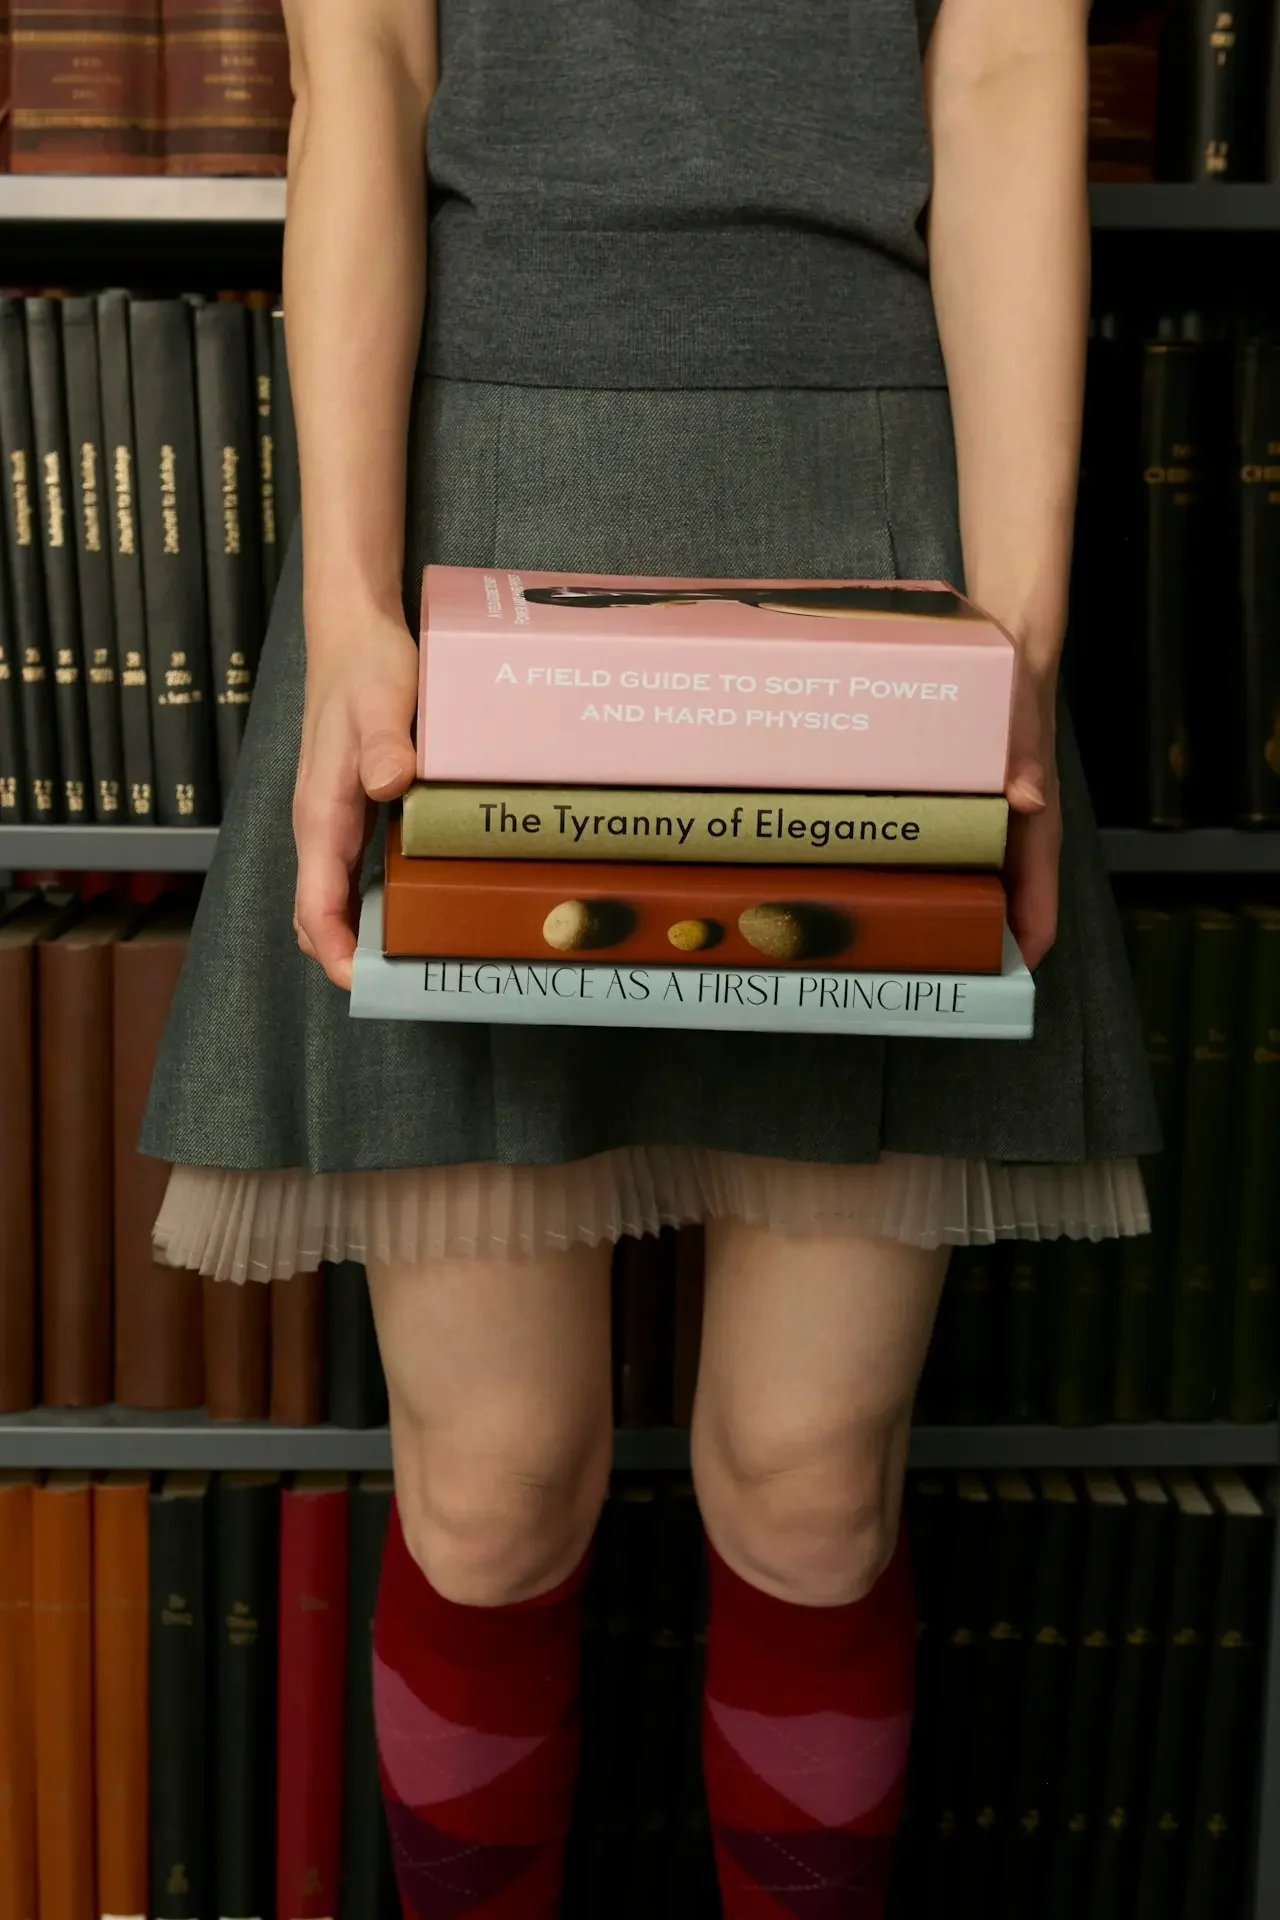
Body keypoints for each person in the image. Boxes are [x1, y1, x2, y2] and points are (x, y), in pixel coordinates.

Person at [140, 1, 1157, 1913]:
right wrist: (354, 613)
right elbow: (359, 69)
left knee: (810, 1485)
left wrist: (1014, 644)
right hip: (468, 520)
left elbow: (1012, 72)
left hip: (885, 535)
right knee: (495, 1487)